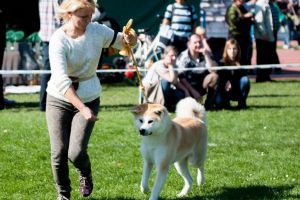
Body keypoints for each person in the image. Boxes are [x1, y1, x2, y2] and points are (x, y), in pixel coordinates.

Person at [45, 0, 137, 199]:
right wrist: (82, 109)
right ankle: (63, 195)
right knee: (58, 153)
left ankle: (85, 172)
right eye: (83, 17)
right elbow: (61, 81)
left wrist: (131, 38)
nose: (89, 20)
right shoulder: (58, 40)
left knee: (76, 153)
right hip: (59, 98)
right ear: (69, 15)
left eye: (90, 15)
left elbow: (125, 43)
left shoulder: (98, 31)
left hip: (90, 96)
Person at [176, 34, 218, 110]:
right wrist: (192, 91)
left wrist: (206, 55)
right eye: (195, 42)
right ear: (189, 44)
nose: (198, 44)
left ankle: (209, 103)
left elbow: (213, 70)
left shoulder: (205, 53)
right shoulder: (183, 56)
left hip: (202, 84)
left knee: (214, 76)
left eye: (199, 42)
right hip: (188, 87)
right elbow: (180, 76)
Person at [142, 45, 185, 110]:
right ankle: (164, 106)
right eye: (171, 56)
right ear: (165, 55)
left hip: (161, 91)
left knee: (180, 94)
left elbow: (176, 82)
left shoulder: (174, 66)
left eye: (175, 56)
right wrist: (170, 65)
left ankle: (167, 105)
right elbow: (171, 80)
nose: (174, 58)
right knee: (165, 82)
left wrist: (186, 92)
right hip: (150, 91)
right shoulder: (159, 65)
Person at [38, 0, 62, 111]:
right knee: (49, 72)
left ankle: (44, 103)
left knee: (47, 72)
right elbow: (60, 17)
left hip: (46, 37)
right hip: (56, 37)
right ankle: (43, 104)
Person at [215, 38, 250, 109]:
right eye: (229, 49)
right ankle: (224, 102)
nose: (232, 51)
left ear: (238, 50)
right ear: (226, 50)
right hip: (224, 89)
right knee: (219, 103)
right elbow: (219, 77)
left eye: (234, 49)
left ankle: (242, 103)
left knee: (245, 80)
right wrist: (225, 81)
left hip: (237, 88)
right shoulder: (221, 62)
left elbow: (244, 76)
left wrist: (238, 68)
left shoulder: (242, 60)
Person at [254, 0, 279, 82]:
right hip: (264, 36)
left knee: (269, 57)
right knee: (262, 58)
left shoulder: (271, 4)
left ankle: (267, 76)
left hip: (271, 34)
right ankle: (261, 77)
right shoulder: (260, 4)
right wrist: (264, 33)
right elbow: (259, 20)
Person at [225, 0, 254, 66]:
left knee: (245, 54)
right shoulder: (232, 8)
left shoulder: (241, 7)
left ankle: (245, 70)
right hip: (235, 36)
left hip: (243, 36)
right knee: (235, 54)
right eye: (240, 0)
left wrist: (250, 19)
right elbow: (233, 21)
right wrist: (244, 16)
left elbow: (246, 20)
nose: (242, 1)